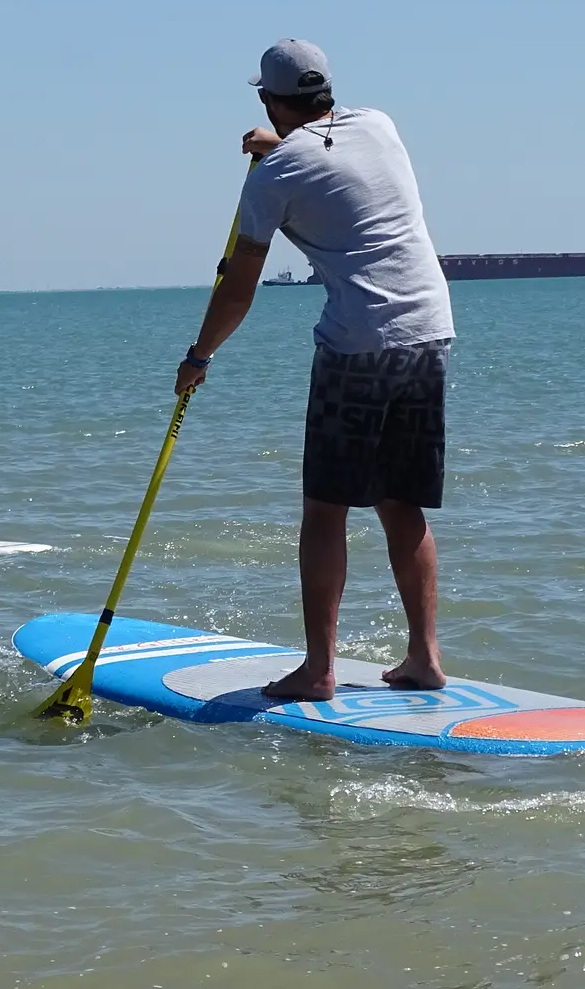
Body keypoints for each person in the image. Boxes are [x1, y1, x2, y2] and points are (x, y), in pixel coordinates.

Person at [175, 39, 457, 702]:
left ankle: (319, 670)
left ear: (269, 99)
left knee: (326, 511)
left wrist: (199, 356)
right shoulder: (380, 125)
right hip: (430, 330)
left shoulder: (272, 177)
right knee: (401, 501)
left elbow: (239, 288)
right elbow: (333, 161)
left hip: (356, 343)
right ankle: (425, 658)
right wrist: (279, 143)